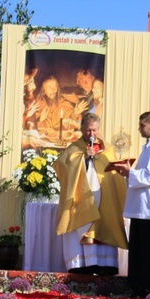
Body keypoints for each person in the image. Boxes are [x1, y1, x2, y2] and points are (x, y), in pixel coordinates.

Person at [108, 112, 150, 295]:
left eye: (142, 125)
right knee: (140, 249)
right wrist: (129, 173)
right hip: (142, 207)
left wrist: (131, 173)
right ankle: (138, 284)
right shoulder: (148, 148)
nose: (139, 129)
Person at [53, 113, 128, 274]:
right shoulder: (74, 149)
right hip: (82, 201)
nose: (91, 134)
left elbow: (114, 175)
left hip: (104, 200)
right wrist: (83, 159)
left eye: (94, 131)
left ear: (98, 129)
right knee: (84, 228)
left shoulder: (107, 149)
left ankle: (105, 264)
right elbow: (63, 169)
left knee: (105, 226)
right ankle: (84, 265)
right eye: (87, 131)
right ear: (81, 129)